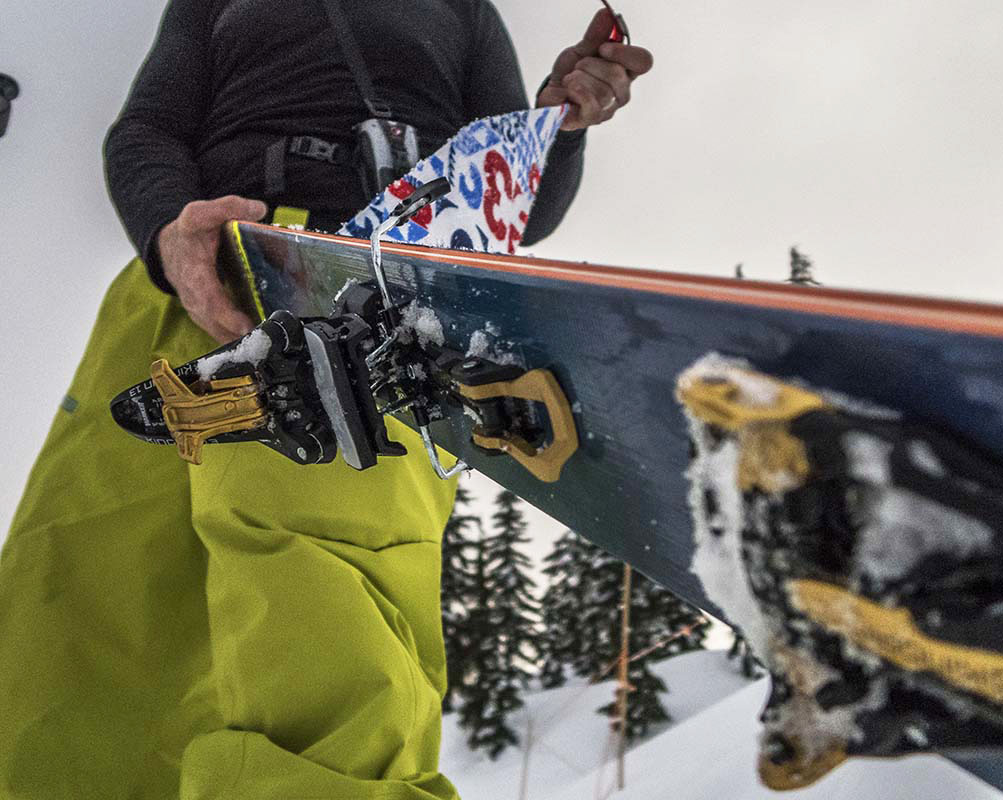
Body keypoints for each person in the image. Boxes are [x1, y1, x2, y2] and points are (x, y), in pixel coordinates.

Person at [0, 2, 652, 797]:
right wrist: (170, 234)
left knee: (321, 605)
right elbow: (147, 132)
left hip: (365, 302)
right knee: (91, 585)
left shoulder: (461, 10)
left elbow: (524, 203)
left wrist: (561, 124)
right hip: (192, 281)